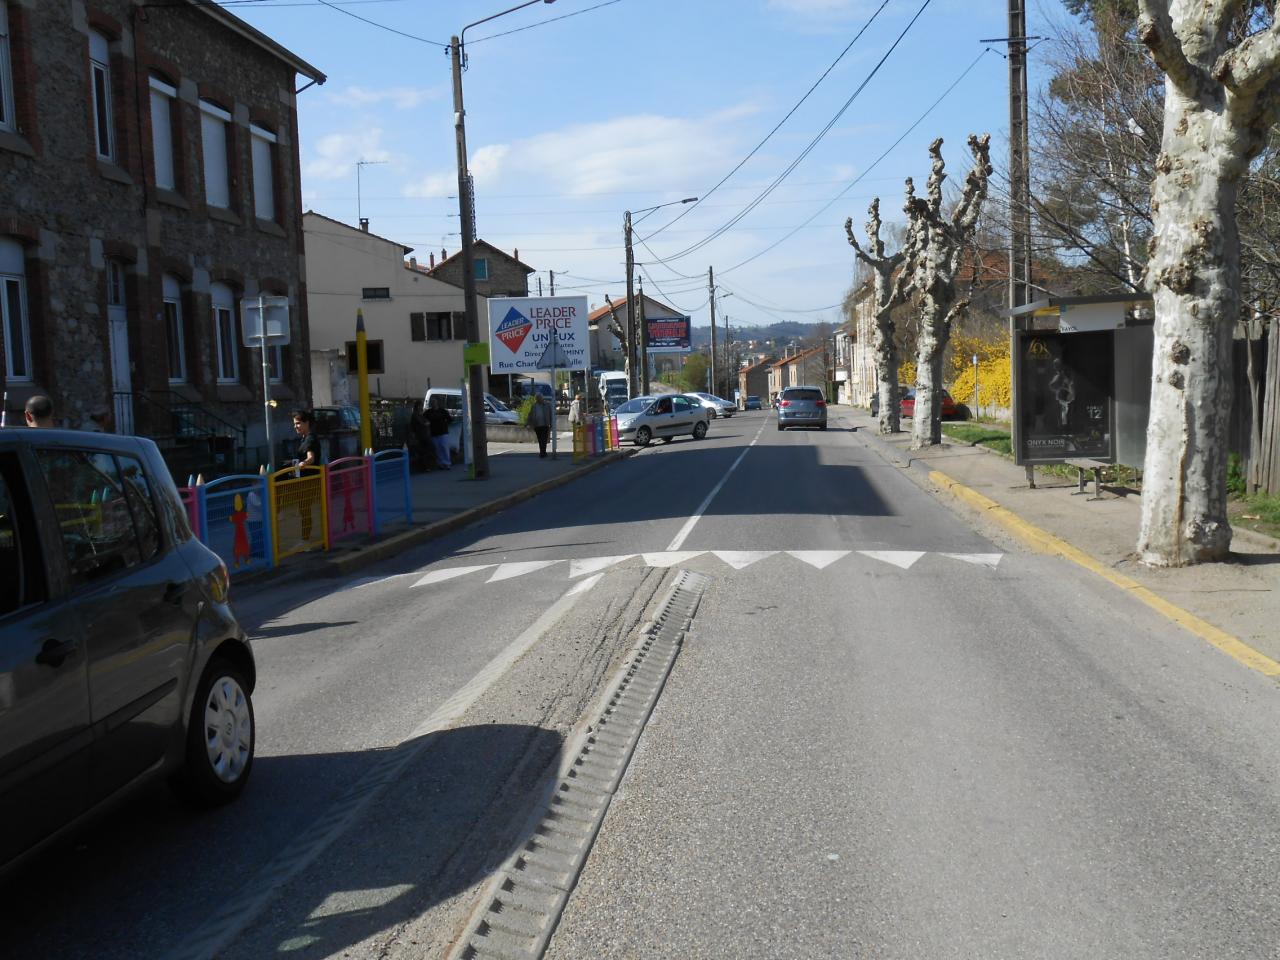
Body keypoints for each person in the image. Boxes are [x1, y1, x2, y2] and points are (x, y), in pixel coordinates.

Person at [423, 395, 452, 471]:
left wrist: (445, 424)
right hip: (434, 433)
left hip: (443, 432)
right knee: (437, 449)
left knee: (444, 447)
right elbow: (424, 420)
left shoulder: (443, 411)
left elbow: (450, 419)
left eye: (434, 402)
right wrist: (426, 424)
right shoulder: (428, 412)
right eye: (432, 402)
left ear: (437, 403)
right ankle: (440, 464)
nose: (433, 403)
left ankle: (447, 463)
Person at [527, 392, 552, 458]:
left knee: (544, 439)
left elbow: (551, 414)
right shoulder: (534, 406)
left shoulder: (547, 405)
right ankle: (543, 452)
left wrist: (551, 424)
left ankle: (542, 453)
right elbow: (530, 415)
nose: (538, 399)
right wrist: (528, 423)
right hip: (537, 425)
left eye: (539, 398)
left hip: (545, 425)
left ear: (542, 398)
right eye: (537, 398)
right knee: (540, 440)